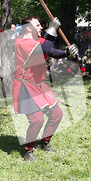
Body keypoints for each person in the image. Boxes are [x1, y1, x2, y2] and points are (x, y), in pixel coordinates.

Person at [13, 15, 78, 162]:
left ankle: (44, 143)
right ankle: (28, 150)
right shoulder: (21, 42)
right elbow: (44, 49)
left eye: (42, 25)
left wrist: (68, 53)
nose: (41, 27)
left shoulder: (38, 41)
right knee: (37, 119)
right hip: (25, 85)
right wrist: (52, 29)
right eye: (37, 25)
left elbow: (52, 51)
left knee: (57, 114)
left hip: (39, 84)